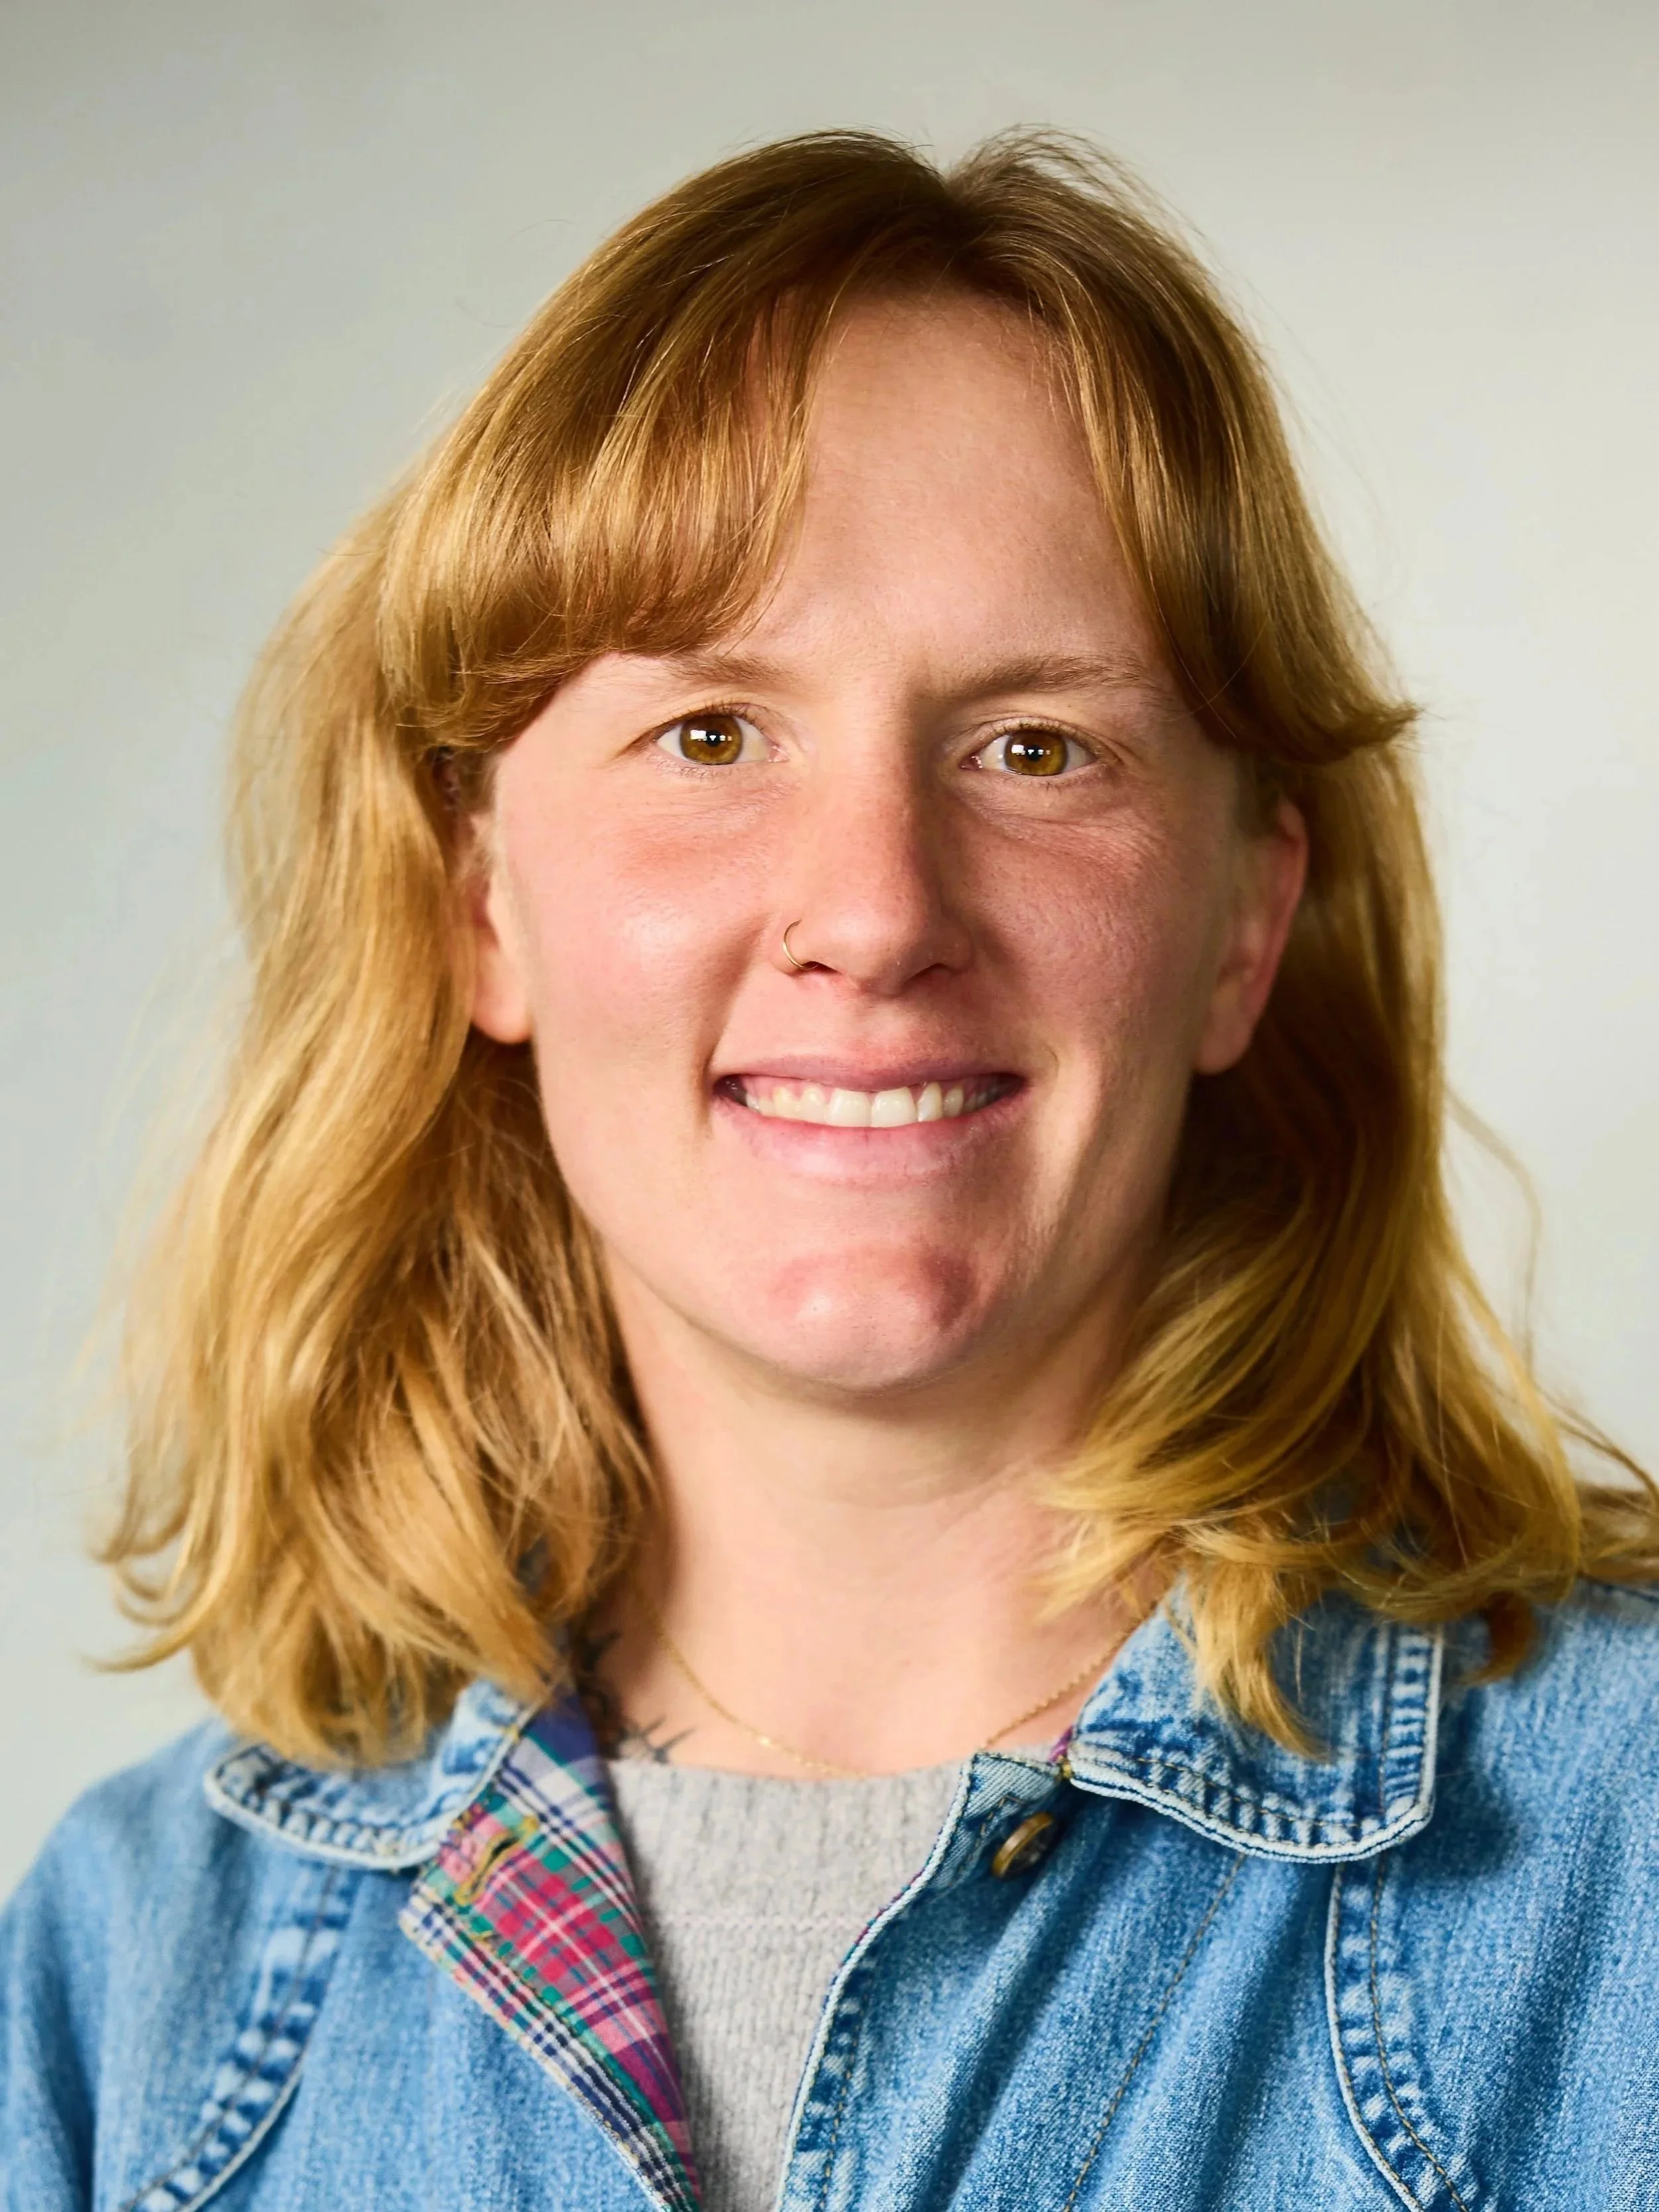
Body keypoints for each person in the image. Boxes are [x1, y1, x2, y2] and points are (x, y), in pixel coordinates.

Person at [3, 128, 1656, 2212]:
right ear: (480, 900)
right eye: (711, 734)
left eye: (1035, 746)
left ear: (1242, 923)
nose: (873, 912)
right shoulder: (122, 1992)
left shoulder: (1630, 1867)